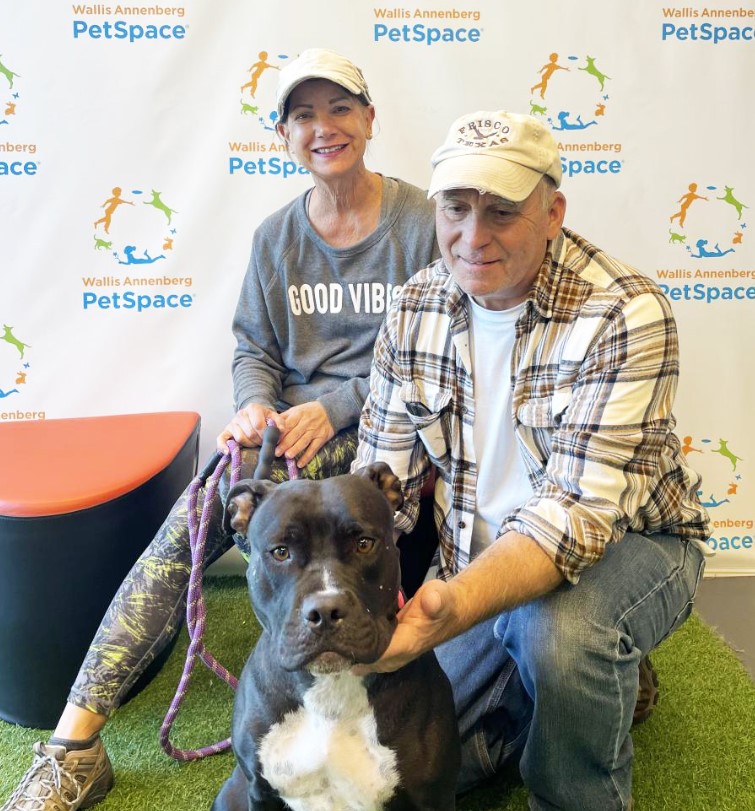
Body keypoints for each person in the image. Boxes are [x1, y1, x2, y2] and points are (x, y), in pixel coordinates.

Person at [1, 49, 438, 811]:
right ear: (283, 135)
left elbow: (442, 356)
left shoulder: (423, 224)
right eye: (303, 114)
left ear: (370, 118)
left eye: (339, 108)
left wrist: (333, 407)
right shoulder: (277, 237)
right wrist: (255, 405)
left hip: (389, 431)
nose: (323, 127)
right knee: (200, 506)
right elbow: (254, 348)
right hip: (293, 440)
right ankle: (75, 744)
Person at [352, 110, 711, 811]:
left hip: (634, 546)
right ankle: (590, 690)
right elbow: (382, 490)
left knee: (557, 632)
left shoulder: (625, 312)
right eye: (454, 208)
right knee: (397, 762)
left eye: (501, 211)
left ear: (553, 213)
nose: (471, 236)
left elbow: (569, 522)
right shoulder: (412, 306)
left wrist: (449, 607)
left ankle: (574, 763)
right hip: (475, 560)